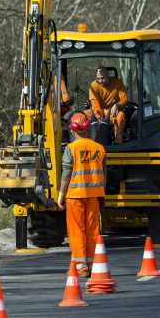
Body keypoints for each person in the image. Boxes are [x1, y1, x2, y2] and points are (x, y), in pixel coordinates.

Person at [57, 111, 107, 276]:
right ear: (87, 129)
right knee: (93, 230)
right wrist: (102, 195)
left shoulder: (71, 148)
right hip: (94, 196)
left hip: (75, 197)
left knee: (77, 230)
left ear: (72, 131)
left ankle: (81, 266)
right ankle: (93, 264)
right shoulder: (99, 148)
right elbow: (103, 175)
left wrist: (60, 195)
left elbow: (66, 174)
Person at [88, 67, 129, 144]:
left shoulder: (118, 83)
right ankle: (86, 143)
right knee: (80, 116)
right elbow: (95, 104)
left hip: (111, 111)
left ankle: (118, 143)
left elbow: (124, 99)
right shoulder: (94, 85)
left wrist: (117, 105)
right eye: (98, 79)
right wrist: (100, 120)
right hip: (98, 111)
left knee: (120, 117)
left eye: (102, 78)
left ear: (108, 75)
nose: (100, 81)